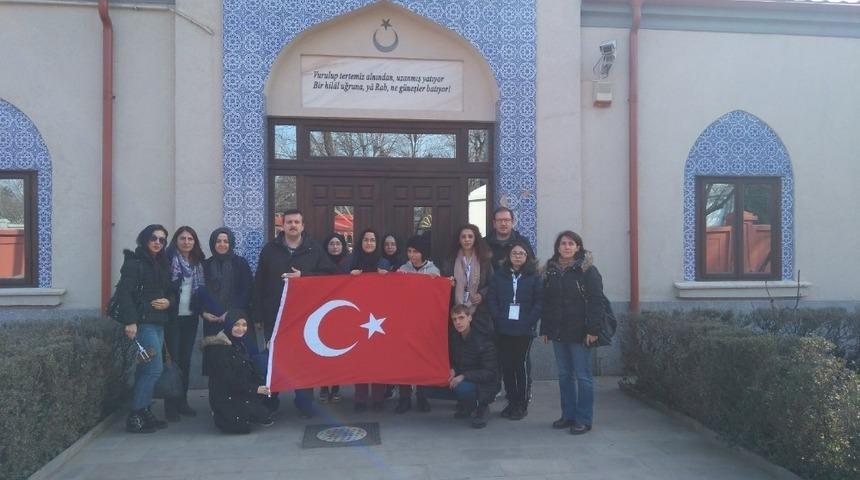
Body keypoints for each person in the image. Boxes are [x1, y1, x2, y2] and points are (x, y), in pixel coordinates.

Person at [254, 208, 337, 418]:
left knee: (303, 359)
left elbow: (329, 278)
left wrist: (304, 277)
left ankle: (304, 401)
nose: (293, 225)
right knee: (274, 358)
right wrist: (257, 316)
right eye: (289, 222)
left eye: (296, 222)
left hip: (304, 315)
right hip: (275, 314)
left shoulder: (314, 249)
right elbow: (259, 283)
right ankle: (271, 401)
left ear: (303, 225)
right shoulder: (269, 250)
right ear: (282, 225)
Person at [540, 231, 604, 435]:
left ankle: (584, 419)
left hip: (580, 332)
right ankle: (568, 415)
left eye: (571, 243)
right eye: (563, 243)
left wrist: (593, 329)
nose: (566, 247)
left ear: (578, 247)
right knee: (564, 375)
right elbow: (547, 303)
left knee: (583, 376)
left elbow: (596, 301)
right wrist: (545, 329)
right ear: (557, 247)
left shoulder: (588, 271)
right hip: (558, 332)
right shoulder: (550, 271)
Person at [116, 224, 176, 433]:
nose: (157, 242)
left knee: (146, 369)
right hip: (143, 324)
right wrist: (130, 321)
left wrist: (169, 302)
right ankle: (136, 415)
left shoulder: (161, 263)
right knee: (153, 369)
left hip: (159, 322)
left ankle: (144, 411)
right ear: (144, 239)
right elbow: (124, 293)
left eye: (162, 239)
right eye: (154, 238)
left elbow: (170, 291)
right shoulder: (134, 263)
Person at [487, 241, 542, 420]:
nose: (517, 256)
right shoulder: (499, 276)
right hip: (504, 327)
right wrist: (498, 317)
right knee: (508, 367)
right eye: (514, 253)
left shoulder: (534, 277)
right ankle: (511, 401)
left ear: (527, 257)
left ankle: (522, 403)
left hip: (524, 329)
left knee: (521, 366)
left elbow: (539, 302)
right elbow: (492, 298)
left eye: (521, 254)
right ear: (509, 257)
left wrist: (529, 321)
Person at [423, 305, 499, 429]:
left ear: (469, 318)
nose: (458, 322)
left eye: (461, 317)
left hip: (486, 385)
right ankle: (467, 405)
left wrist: (463, 376)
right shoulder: (455, 338)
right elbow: (456, 362)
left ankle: (482, 407)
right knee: (428, 388)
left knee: (462, 388)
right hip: (464, 378)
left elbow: (490, 373)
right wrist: (453, 370)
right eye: (454, 319)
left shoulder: (483, 341)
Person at [201, 309, 275, 434]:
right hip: (226, 395)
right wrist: (255, 389)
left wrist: (267, 352)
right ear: (229, 325)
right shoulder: (219, 349)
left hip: (240, 390)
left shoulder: (239, 343)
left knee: (265, 414)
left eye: (244, 325)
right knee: (240, 428)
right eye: (236, 325)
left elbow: (249, 366)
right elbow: (228, 380)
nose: (241, 329)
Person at [394, 235, 440, 414]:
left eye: (416, 251)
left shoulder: (433, 271)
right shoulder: (402, 269)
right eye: (409, 251)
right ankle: (404, 398)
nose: (412, 255)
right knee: (404, 362)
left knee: (422, 361)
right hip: (405, 324)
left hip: (424, 324)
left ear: (423, 253)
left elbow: (436, 297)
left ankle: (422, 397)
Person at [164, 226, 206, 421]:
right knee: (172, 361)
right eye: (183, 238)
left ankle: (182, 401)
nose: (187, 242)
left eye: (190, 238)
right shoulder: (168, 260)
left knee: (186, 360)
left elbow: (201, 291)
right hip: (172, 318)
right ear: (176, 240)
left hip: (190, 317)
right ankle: (170, 405)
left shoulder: (197, 263)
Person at [349, 228, 390, 411]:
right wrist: (349, 277)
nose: (369, 243)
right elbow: (337, 282)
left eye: (373, 240)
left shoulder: (384, 262)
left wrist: (387, 277)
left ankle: (379, 398)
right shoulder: (351, 260)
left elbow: (395, 287)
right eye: (366, 240)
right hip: (358, 316)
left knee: (379, 358)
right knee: (360, 359)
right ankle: (360, 399)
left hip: (379, 318)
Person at [200, 227, 253, 338]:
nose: (222, 244)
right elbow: (201, 292)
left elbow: (247, 290)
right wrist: (204, 312)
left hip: (237, 319)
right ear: (213, 243)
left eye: (226, 241)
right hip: (213, 319)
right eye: (218, 241)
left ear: (231, 243)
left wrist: (230, 313)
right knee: (215, 352)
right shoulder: (206, 265)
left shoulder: (240, 263)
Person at [441, 224, 494, 336]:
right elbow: (442, 283)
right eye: (463, 237)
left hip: (478, 311)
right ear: (459, 240)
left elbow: (492, 283)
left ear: (475, 239)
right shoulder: (450, 260)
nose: (467, 239)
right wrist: (448, 283)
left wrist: (482, 295)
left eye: (470, 236)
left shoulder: (484, 259)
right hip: (456, 311)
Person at [319, 232, 350, 404]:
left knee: (337, 351)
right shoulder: (320, 262)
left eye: (338, 243)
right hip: (324, 311)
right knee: (324, 352)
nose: (335, 247)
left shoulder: (349, 262)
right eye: (331, 243)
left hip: (342, 313)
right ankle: (324, 386)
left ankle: (336, 387)